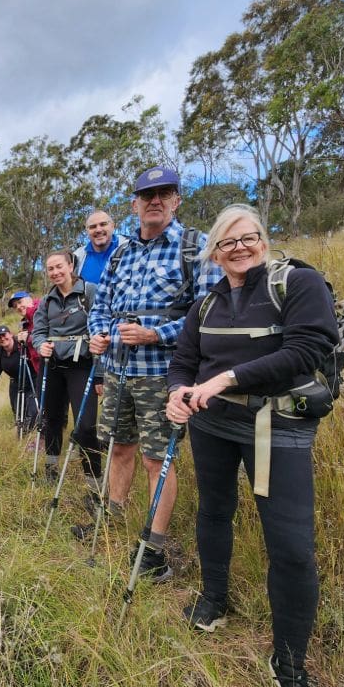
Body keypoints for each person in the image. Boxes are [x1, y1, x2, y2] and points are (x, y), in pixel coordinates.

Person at [166, 204, 337, 687]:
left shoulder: (298, 284)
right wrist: (177, 393)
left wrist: (227, 380)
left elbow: (308, 348)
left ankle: (289, 665)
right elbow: (184, 362)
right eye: (227, 242)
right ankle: (214, 600)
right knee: (214, 511)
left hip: (278, 429)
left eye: (249, 237)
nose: (240, 248)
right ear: (214, 253)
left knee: (291, 546)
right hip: (211, 425)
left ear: (263, 239)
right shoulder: (206, 305)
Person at [78, 165, 222, 583]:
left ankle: (153, 550)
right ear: (135, 204)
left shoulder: (194, 246)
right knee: (119, 447)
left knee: (155, 459)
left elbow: (207, 310)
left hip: (164, 376)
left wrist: (157, 333)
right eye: (147, 195)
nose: (155, 201)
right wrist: (99, 335)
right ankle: (112, 523)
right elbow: (101, 304)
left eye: (164, 193)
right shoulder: (121, 252)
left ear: (176, 200)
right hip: (119, 371)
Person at [31, 250, 99, 487]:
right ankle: (50, 469)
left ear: (71, 266)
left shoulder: (89, 293)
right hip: (52, 368)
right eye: (50, 269)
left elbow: (101, 324)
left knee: (86, 425)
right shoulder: (46, 301)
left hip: (81, 366)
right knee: (51, 420)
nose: (55, 272)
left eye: (59, 266)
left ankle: (94, 481)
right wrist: (41, 346)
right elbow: (37, 332)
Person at [0, 325, 38, 433]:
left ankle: (34, 436)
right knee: (18, 413)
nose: (2, 339)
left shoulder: (22, 346)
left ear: (10, 334)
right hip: (15, 384)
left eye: (4, 335)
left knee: (33, 411)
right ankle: (22, 435)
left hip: (32, 382)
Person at [74, 210, 127, 284]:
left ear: (112, 226)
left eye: (103, 224)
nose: (98, 230)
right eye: (92, 227)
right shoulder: (77, 257)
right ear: (87, 231)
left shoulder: (130, 247)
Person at [7, 290, 42, 376]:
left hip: (54, 365)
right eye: (15, 306)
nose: (18, 307)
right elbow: (26, 350)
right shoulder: (26, 323)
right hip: (40, 368)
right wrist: (20, 342)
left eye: (20, 302)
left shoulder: (42, 312)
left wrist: (28, 338)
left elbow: (49, 335)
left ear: (29, 299)